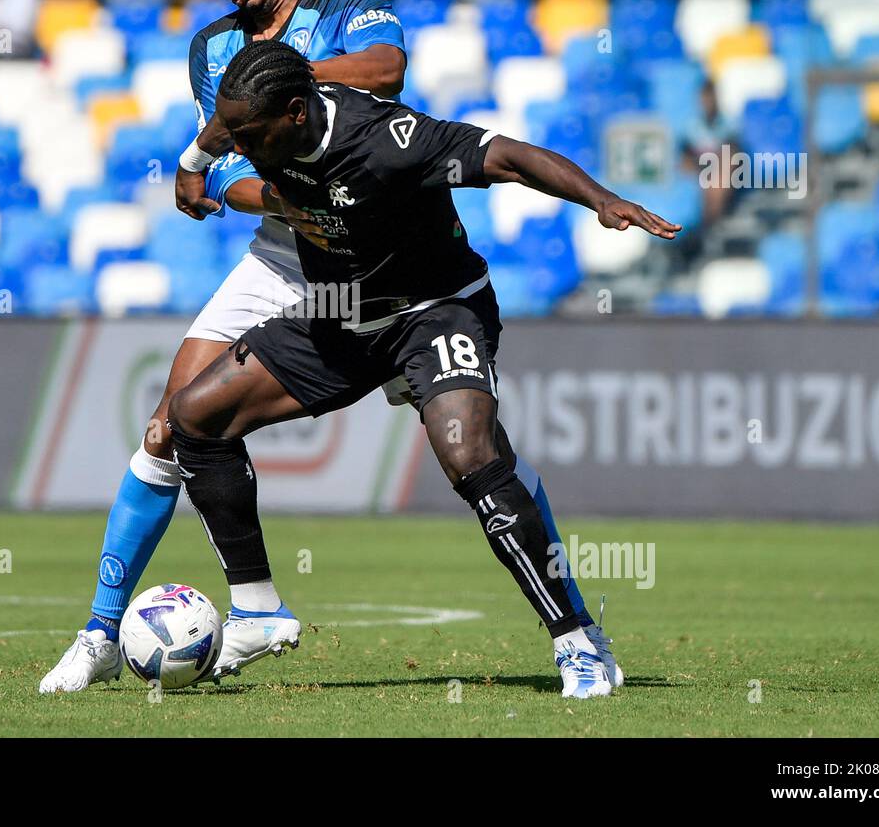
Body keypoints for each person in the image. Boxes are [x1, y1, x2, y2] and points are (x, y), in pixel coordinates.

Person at [38, 0, 606, 694]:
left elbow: (386, 72)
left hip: (380, 246)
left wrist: (278, 82)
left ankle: (574, 625)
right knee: (175, 423)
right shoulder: (210, 49)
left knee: (475, 448)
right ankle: (106, 631)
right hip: (286, 247)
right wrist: (276, 193)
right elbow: (231, 168)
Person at [165, 41, 680, 698]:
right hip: (341, 315)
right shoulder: (259, 117)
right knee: (194, 416)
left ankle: (580, 644)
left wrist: (601, 200)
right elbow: (228, 134)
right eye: (228, 131)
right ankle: (259, 608)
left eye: (244, 134)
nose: (233, 141)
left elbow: (509, 158)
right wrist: (195, 162)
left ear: (295, 114)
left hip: (434, 311)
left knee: (469, 457)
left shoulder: (386, 138)